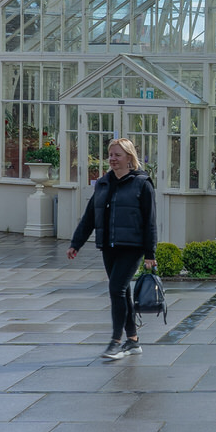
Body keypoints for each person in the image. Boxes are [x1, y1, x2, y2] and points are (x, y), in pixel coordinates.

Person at [67, 138, 157, 360]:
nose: (113, 159)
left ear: (129, 157)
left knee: (116, 289)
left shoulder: (142, 183)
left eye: (117, 155)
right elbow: (90, 216)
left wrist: (150, 253)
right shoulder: (104, 183)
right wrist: (76, 243)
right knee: (122, 291)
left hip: (132, 245)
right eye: (110, 155)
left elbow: (150, 221)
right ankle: (133, 340)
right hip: (109, 245)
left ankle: (116, 341)